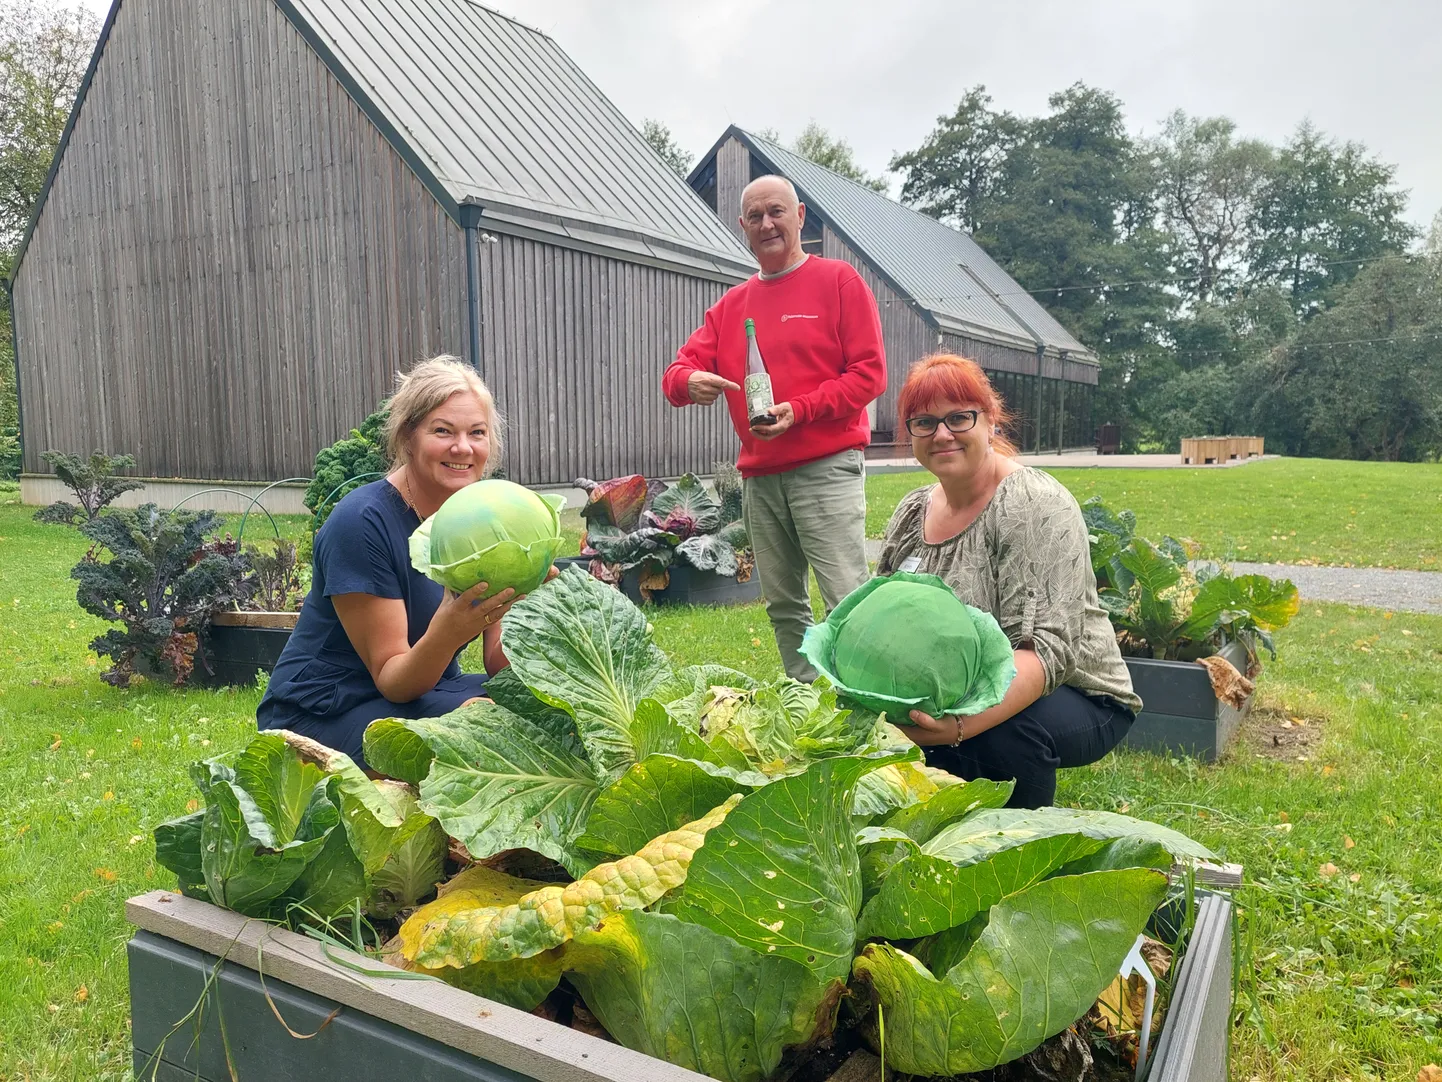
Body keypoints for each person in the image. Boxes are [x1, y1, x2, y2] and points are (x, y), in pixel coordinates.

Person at [874, 354, 1140, 808]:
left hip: (1074, 690)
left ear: (991, 420)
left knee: (999, 734)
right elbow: (880, 617)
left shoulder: (1032, 504)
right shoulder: (912, 511)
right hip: (959, 684)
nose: (942, 434)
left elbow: (1046, 652)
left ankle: (1019, 848)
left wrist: (955, 728)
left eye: (959, 417)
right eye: (924, 421)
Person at [663, 174, 886, 680]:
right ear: (742, 226)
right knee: (784, 604)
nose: (767, 224)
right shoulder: (730, 308)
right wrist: (689, 380)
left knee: (846, 599)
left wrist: (799, 409)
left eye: (777, 212)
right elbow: (675, 373)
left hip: (826, 469)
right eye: (756, 216)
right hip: (761, 477)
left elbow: (869, 375)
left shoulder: (839, 281)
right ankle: (805, 700)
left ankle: (867, 705)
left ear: (800, 216)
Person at [258, 356, 522, 765]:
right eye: (443, 431)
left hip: (425, 689)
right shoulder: (361, 524)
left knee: (533, 712)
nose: (463, 447)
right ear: (408, 437)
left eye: (477, 433)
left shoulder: (484, 521)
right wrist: (449, 632)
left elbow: (498, 665)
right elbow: (393, 681)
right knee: (479, 731)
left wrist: (522, 604)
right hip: (325, 708)